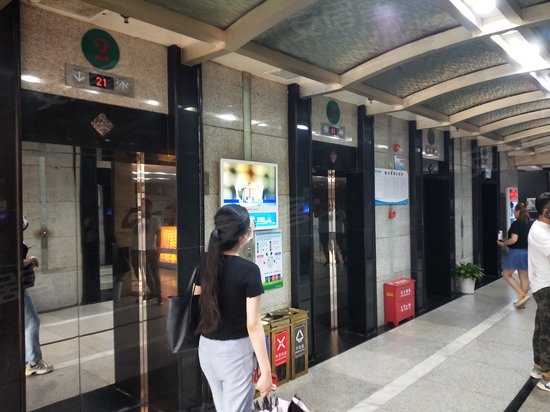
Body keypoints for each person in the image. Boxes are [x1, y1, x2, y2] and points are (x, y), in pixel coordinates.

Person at [195, 204, 273, 411]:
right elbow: (253, 324)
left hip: (206, 348)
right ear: (244, 236)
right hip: (235, 354)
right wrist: (266, 370)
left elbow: (196, 301)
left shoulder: (205, 262)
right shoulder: (249, 270)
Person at [21, 216, 54, 376]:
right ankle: (33, 362)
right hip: (14, 288)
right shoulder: (7, 238)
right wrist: (30, 260)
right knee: (32, 323)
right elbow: (10, 263)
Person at [527, 192, 550, 392]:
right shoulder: (539, 232)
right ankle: (547, 377)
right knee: (547, 332)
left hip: (544, 284)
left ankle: (538, 366)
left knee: (542, 327)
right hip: (545, 287)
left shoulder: (545, 228)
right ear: (546, 210)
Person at [122, 199, 162, 304]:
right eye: (140, 207)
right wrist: (129, 212)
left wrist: (158, 250)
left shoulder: (155, 220)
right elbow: (124, 225)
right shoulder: (137, 220)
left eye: (144, 206)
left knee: (153, 273)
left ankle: (158, 294)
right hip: (135, 250)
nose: (142, 209)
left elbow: (159, 236)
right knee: (140, 273)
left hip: (150, 250)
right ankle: (151, 292)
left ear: (150, 207)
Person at [497, 202, 532, 308]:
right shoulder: (530, 223)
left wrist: (503, 243)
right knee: (524, 278)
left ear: (517, 211)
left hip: (516, 252)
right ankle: (521, 303)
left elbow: (513, 240)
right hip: (527, 252)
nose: (514, 213)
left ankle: (521, 294)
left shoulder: (516, 224)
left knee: (506, 274)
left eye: (514, 211)